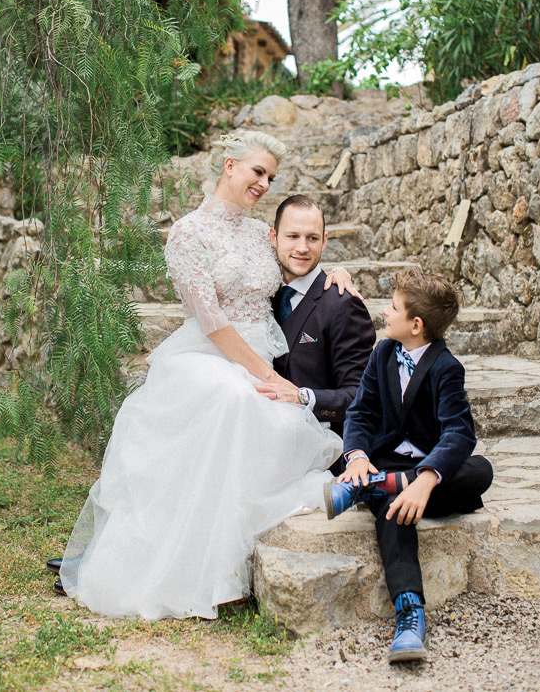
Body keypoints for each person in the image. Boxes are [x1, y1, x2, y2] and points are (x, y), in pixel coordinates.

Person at [54, 131, 347, 619]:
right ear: (229, 165)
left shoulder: (260, 233)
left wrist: (338, 275)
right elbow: (211, 321)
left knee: (261, 414)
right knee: (237, 399)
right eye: (258, 172)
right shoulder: (188, 233)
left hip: (258, 354)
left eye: (271, 177)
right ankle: (192, 574)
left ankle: (228, 564)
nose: (264, 184)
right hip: (210, 357)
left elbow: (300, 264)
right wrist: (265, 376)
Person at [324, 268, 493, 663]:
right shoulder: (382, 352)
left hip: (425, 468)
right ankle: (410, 614)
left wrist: (425, 480)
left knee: (479, 469)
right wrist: (359, 458)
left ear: (416, 325)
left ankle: (377, 487)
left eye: (394, 307)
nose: (384, 311)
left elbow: (458, 434)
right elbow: (361, 412)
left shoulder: (446, 367)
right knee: (396, 511)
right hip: (382, 460)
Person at [259, 194, 375, 444]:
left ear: (324, 241)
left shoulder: (344, 305)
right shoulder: (257, 293)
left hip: (316, 443)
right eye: (292, 236)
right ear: (273, 237)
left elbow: (360, 395)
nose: (302, 248)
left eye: (312, 238)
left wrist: (303, 397)